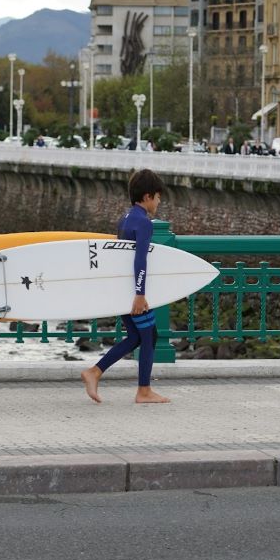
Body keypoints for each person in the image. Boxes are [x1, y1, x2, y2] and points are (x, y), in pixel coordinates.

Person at [80, 169, 171, 405]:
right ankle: (144, 391)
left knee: (136, 336)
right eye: (158, 197)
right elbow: (139, 259)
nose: (159, 202)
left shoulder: (126, 218)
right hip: (132, 291)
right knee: (149, 335)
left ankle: (95, 372)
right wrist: (140, 294)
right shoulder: (144, 222)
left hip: (121, 288)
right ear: (148, 196)